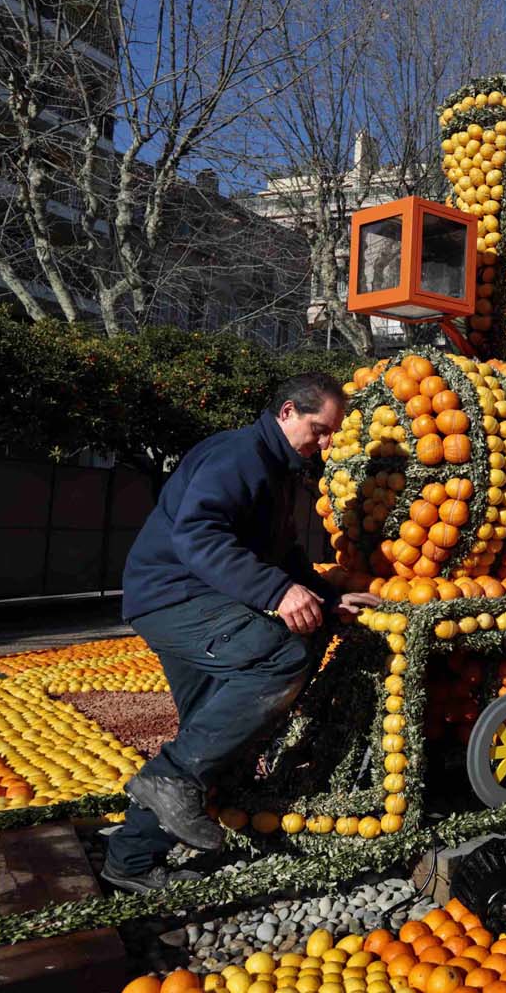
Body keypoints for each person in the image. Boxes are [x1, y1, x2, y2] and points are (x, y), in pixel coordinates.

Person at [102, 373, 380, 892]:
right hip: (175, 599)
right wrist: (277, 595)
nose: (325, 444)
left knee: (209, 736)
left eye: (332, 435)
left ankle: (130, 859)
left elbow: (283, 555)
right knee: (284, 654)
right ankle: (174, 778)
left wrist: (322, 596)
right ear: (287, 412)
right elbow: (199, 532)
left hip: (195, 602)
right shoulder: (239, 456)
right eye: (320, 430)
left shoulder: (276, 469)